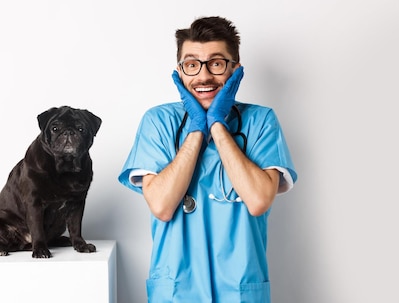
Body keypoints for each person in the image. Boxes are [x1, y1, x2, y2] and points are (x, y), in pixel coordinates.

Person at [118, 16, 298, 302]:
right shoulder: (159, 122)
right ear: (180, 72)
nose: (203, 76)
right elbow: (162, 206)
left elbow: (258, 200)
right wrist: (196, 130)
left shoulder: (261, 121)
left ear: (235, 70)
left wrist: (217, 124)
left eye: (216, 63)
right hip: (176, 292)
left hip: (238, 291)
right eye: (192, 65)